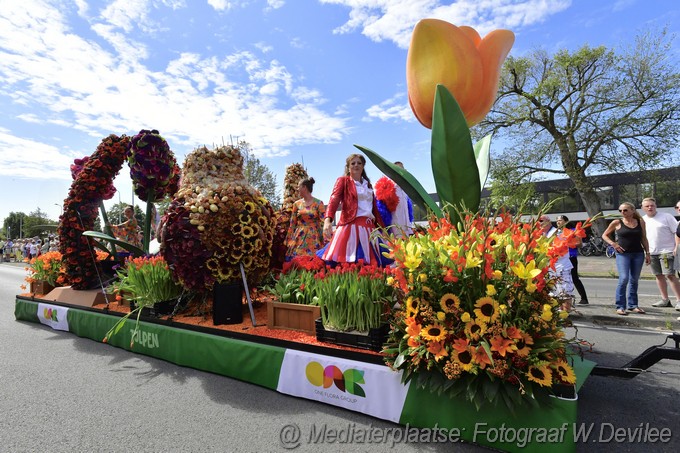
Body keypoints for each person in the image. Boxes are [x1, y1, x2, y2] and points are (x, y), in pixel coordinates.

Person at [319, 153, 388, 265]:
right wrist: (328, 220)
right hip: (350, 227)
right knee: (349, 263)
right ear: (348, 166)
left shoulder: (368, 185)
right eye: (353, 163)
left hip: (369, 229)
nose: (356, 165)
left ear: (363, 166)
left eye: (359, 163)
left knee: (372, 264)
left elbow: (374, 210)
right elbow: (334, 199)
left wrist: (383, 230)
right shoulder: (343, 181)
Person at [602, 202, 650, 315]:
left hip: (638, 253)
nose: (622, 212)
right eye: (620, 211)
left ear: (633, 210)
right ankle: (620, 306)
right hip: (623, 254)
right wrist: (614, 244)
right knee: (624, 279)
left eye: (625, 210)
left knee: (634, 280)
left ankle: (633, 305)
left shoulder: (640, 222)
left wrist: (648, 252)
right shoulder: (617, 222)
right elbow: (604, 235)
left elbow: (644, 238)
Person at [641, 197, 680, 309]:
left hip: (667, 251)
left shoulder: (666, 217)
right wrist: (646, 252)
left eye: (652, 205)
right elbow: (643, 237)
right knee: (658, 276)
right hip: (652, 252)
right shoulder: (643, 220)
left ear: (656, 206)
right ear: (643, 208)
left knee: (670, 275)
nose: (650, 208)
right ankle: (665, 300)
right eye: (647, 206)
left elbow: (676, 232)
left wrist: (676, 247)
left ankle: (679, 300)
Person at [284, 177, 325, 261]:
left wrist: (327, 238)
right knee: (298, 260)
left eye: (299, 186)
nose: (297, 189)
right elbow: (292, 223)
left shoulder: (318, 203)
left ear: (304, 187)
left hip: (314, 237)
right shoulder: (297, 204)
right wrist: (288, 239)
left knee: (314, 261)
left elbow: (324, 222)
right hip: (300, 236)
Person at [539, 215, 574, 309]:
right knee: (554, 293)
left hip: (561, 266)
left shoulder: (557, 233)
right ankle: (559, 314)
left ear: (549, 222)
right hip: (550, 268)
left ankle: (566, 315)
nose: (540, 223)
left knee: (565, 292)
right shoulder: (542, 234)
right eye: (539, 221)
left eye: (542, 220)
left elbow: (560, 250)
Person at [374, 161, 414, 238]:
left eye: (403, 169)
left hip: (407, 232)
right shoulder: (386, 188)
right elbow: (381, 212)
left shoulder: (405, 190)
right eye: (397, 169)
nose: (401, 172)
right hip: (394, 233)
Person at [556, 215, 589, 305]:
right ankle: (563, 298)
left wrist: (569, 243)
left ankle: (584, 298)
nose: (558, 222)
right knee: (561, 278)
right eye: (557, 220)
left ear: (566, 221)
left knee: (574, 277)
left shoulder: (574, 230)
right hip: (561, 258)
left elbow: (579, 244)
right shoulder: (557, 232)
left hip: (571, 257)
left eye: (560, 220)